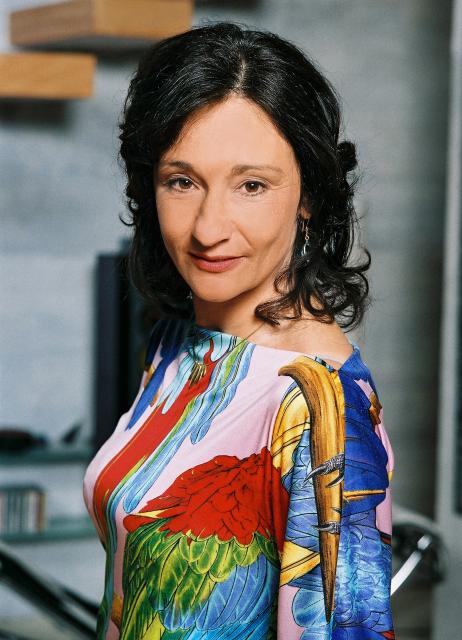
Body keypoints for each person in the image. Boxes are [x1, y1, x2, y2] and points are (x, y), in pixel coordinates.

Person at [83, 20, 395, 639]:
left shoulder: (318, 405)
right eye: (182, 181)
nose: (208, 228)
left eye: (252, 185)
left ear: (308, 195)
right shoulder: (180, 345)